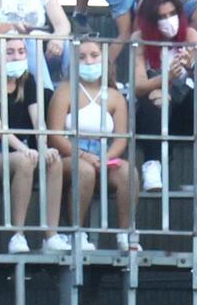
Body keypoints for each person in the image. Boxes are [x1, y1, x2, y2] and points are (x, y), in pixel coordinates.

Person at [0, 36, 69, 253]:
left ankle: (51, 235)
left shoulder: (30, 81)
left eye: (21, 51)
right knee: (25, 162)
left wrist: (43, 147)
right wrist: (24, 149)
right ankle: (17, 235)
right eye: (10, 52)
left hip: (22, 150)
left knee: (55, 161)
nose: (17, 56)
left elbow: (38, 123)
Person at [129, 0, 197, 191]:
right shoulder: (139, 39)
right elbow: (138, 87)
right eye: (161, 16)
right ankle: (152, 167)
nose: (168, 20)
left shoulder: (190, 34)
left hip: (186, 114)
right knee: (155, 96)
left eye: (172, 14)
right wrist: (166, 79)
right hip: (154, 114)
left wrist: (192, 65)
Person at [46, 38, 139, 250]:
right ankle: (75, 233)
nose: (88, 61)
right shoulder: (64, 92)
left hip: (104, 155)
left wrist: (106, 158)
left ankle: (126, 234)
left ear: (104, 59)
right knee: (85, 171)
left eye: (94, 55)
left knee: (129, 173)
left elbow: (121, 137)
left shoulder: (115, 97)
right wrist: (83, 155)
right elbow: (55, 136)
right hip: (70, 154)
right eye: (81, 57)